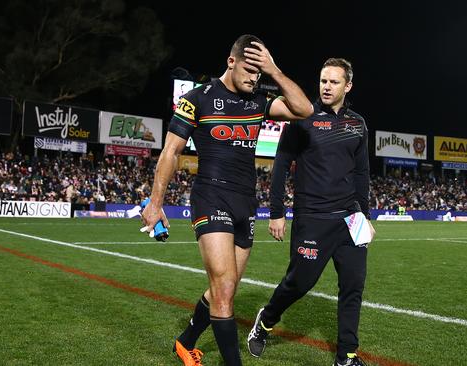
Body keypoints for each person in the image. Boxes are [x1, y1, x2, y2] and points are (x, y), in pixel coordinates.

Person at [141, 34, 313, 366]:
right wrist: (155, 202)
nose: (254, 78)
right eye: (249, 70)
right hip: (210, 196)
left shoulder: (258, 102)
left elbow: (304, 110)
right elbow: (170, 152)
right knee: (222, 289)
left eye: (258, 73)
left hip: (246, 203)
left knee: (228, 288)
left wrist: (274, 71)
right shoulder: (196, 99)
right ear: (230, 62)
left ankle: (185, 342)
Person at [247, 58, 375, 366]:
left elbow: (362, 173)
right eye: (323, 81)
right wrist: (276, 212)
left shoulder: (357, 123)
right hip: (312, 219)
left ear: (348, 86)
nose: (327, 87)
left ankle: (346, 355)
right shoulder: (302, 116)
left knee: (353, 287)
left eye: (333, 82)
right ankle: (266, 319)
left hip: (350, 218)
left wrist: (365, 216)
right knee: (299, 283)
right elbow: (280, 166)